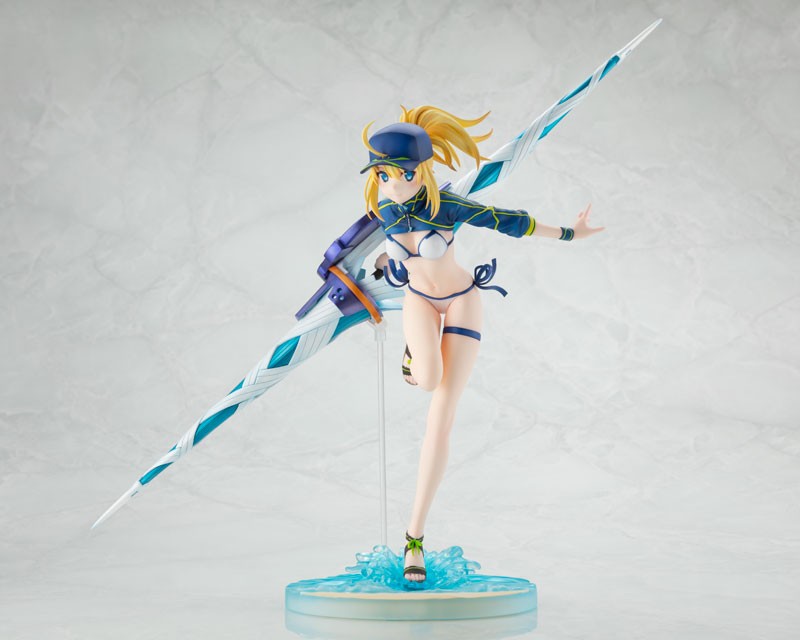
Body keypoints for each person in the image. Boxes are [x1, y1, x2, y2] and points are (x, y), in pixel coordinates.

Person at [362, 105, 604, 582]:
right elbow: (369, 249)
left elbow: (507, 220)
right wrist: (375, 267)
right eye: (381, 175)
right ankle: (416, 353)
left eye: (397, 174)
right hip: (417, 301)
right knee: (426, 379)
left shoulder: (447, 206)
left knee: (440, 418)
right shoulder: (383, 209)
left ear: (419, 171)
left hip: (461, 302)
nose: (388, 183)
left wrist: (569, 233)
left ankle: (414, 538)